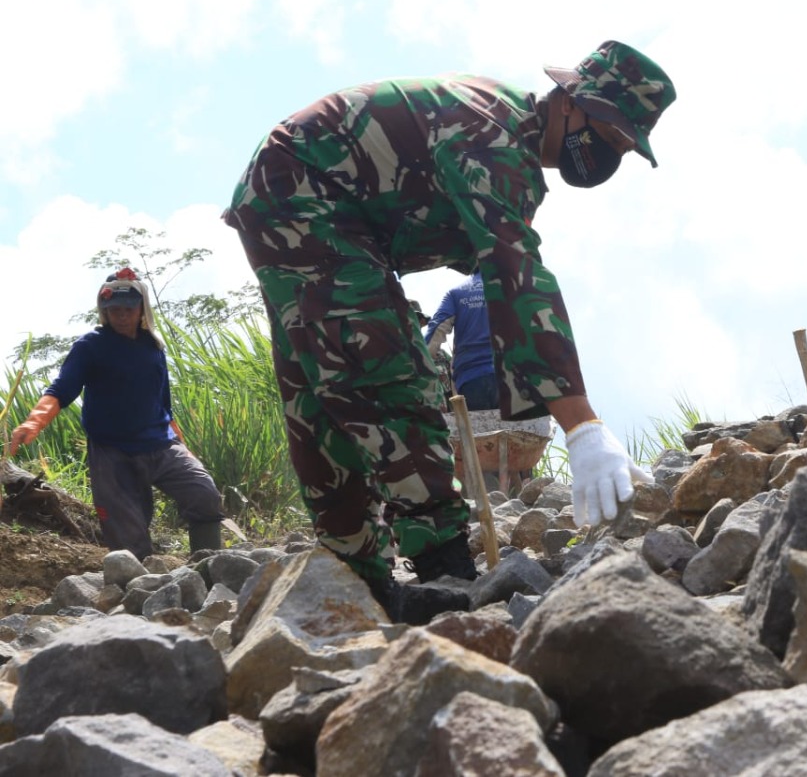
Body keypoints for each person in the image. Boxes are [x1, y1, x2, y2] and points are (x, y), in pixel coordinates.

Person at [223, 40, 675, 622]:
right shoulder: (494, 137)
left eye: (621, 148)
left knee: (325, 382)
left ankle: (358, 580)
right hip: (307, 194)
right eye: (608, 135)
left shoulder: (502, 129)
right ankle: (445, 572)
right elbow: (515, 274)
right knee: (391, 370)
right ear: (570, 102)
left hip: (290, 194)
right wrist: (581, 425)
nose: (607, 155)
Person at [6, 269, 225, 559]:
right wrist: (34, 421)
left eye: (128, 309)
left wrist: (182, 444)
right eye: (114, 310)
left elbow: (163, 403)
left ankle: (211, 569)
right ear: (104, 312)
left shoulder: (153, 347)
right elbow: (62, 389)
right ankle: (141, 591)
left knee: (203, 493)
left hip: (160, 445)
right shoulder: (90, 346)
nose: (121, 316)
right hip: (112, 452)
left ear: (141, 310)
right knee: (128, 540)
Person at [424, 271, 498, 412]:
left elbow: (437, 330)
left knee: (478, 432)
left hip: (471, 379)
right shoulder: (509, 289)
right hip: (509, 378)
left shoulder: (456, 293)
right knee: (518, 432)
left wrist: (417, 366)